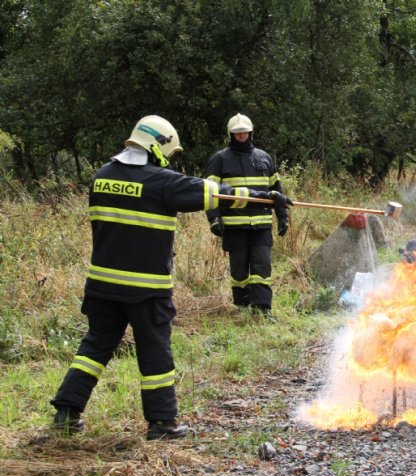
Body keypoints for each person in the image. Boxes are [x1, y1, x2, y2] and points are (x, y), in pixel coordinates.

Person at [50, 115, 292, 439]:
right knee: (155, 353)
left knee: (94, 348)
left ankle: (66, 412)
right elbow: (218, 192)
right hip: (146, 289)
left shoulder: (101, 178)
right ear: (158, 146)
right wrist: (267, 198)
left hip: (102, 286)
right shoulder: (162, 182)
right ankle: (162, 423)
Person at [205, 114, 289, 314]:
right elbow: (210, 192)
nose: (241, 135)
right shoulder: (219, 159)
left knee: (262, 266)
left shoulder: (264, 157)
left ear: (250, 132)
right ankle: (242, 305)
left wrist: (283, 216)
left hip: (261, 224)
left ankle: (262, 308)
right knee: (239, 269)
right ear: (231, 134)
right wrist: (213, 218)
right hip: (234, 225)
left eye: (244, 132)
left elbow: (277, 190)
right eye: (237, 133)